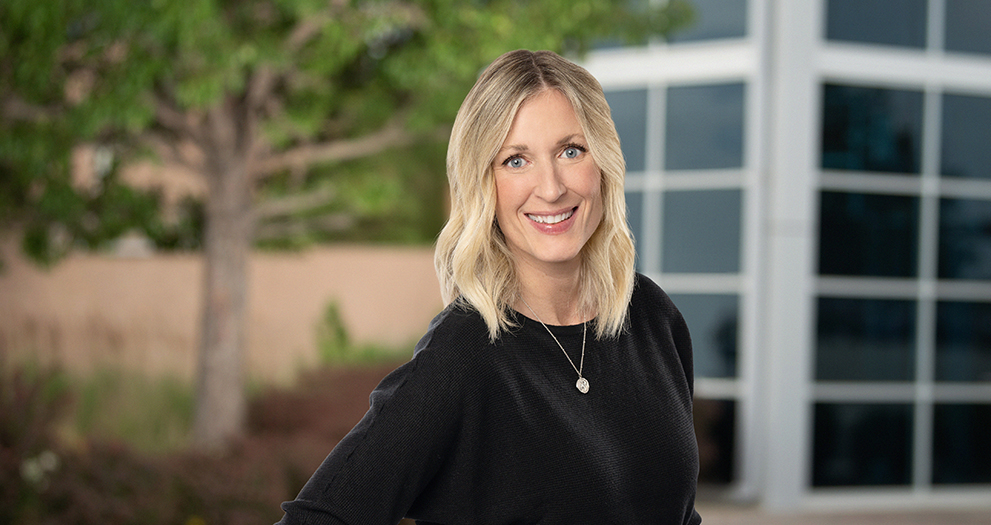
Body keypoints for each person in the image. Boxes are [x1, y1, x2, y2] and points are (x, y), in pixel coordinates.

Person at [276, 49, 702, 525]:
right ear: (484, 184)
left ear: (603, 163)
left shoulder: (651, 317)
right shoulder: (465, 353)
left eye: (570, 151)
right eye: (515, 160)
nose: (551, 187)